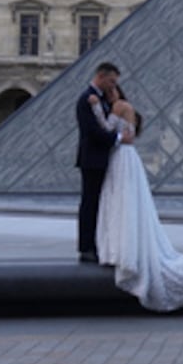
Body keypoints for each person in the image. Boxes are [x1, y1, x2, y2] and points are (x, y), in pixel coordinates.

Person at [91, 85, 183, 312]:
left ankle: (122, 251)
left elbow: (108, 130)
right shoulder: (127, 107)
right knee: (127, 204)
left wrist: (97, 109)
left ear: (118, 92)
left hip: (121, 158)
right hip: (128, 159)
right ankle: (124, 249)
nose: (109, 96)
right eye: (107, 94)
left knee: (121, 204)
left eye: (111, 92)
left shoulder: (118, 107)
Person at [75, 62, 128, 264]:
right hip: (92, 159)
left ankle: (95, 244)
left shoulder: (101, 99)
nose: (113, 86)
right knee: (90, 203)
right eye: (112, 81)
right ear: (101, 76)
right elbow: (92, 131)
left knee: (97, 203)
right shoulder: (86, 99)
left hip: (100, 158)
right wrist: (118, 139)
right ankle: (86, 247)